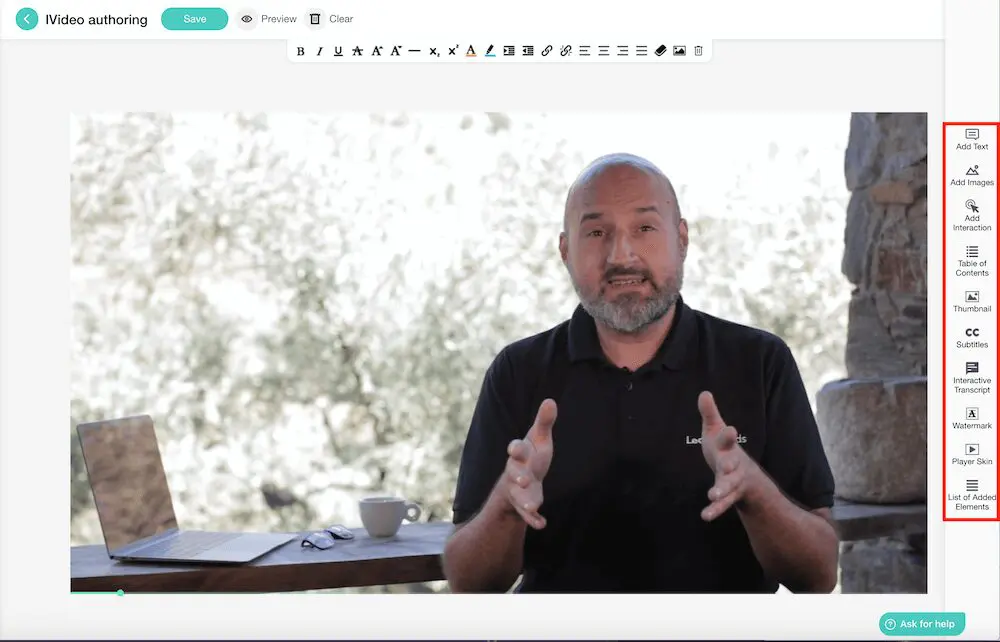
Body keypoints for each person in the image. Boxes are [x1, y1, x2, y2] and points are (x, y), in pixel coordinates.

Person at [441, 153, 840, 593]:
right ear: (566, 251)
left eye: (645, 228)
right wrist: (505, 504)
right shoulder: (518, 372)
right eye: (596, 232)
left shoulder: (760, 362)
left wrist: (753, 490)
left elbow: (818, 576)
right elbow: (468, 584)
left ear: (682, 239)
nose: (622, 254)